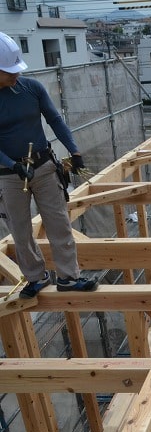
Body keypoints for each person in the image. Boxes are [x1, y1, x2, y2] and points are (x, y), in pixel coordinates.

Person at [0, 32, 98, 298]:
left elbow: (55, 120)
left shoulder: (31, 88)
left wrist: (74, 151)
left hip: (43, 166)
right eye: (8, 72)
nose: (15, 76)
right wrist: (12, 164)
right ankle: (36, 277)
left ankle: (68, 277)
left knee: (58, 224)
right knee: (20, 230)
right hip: (9, 176)